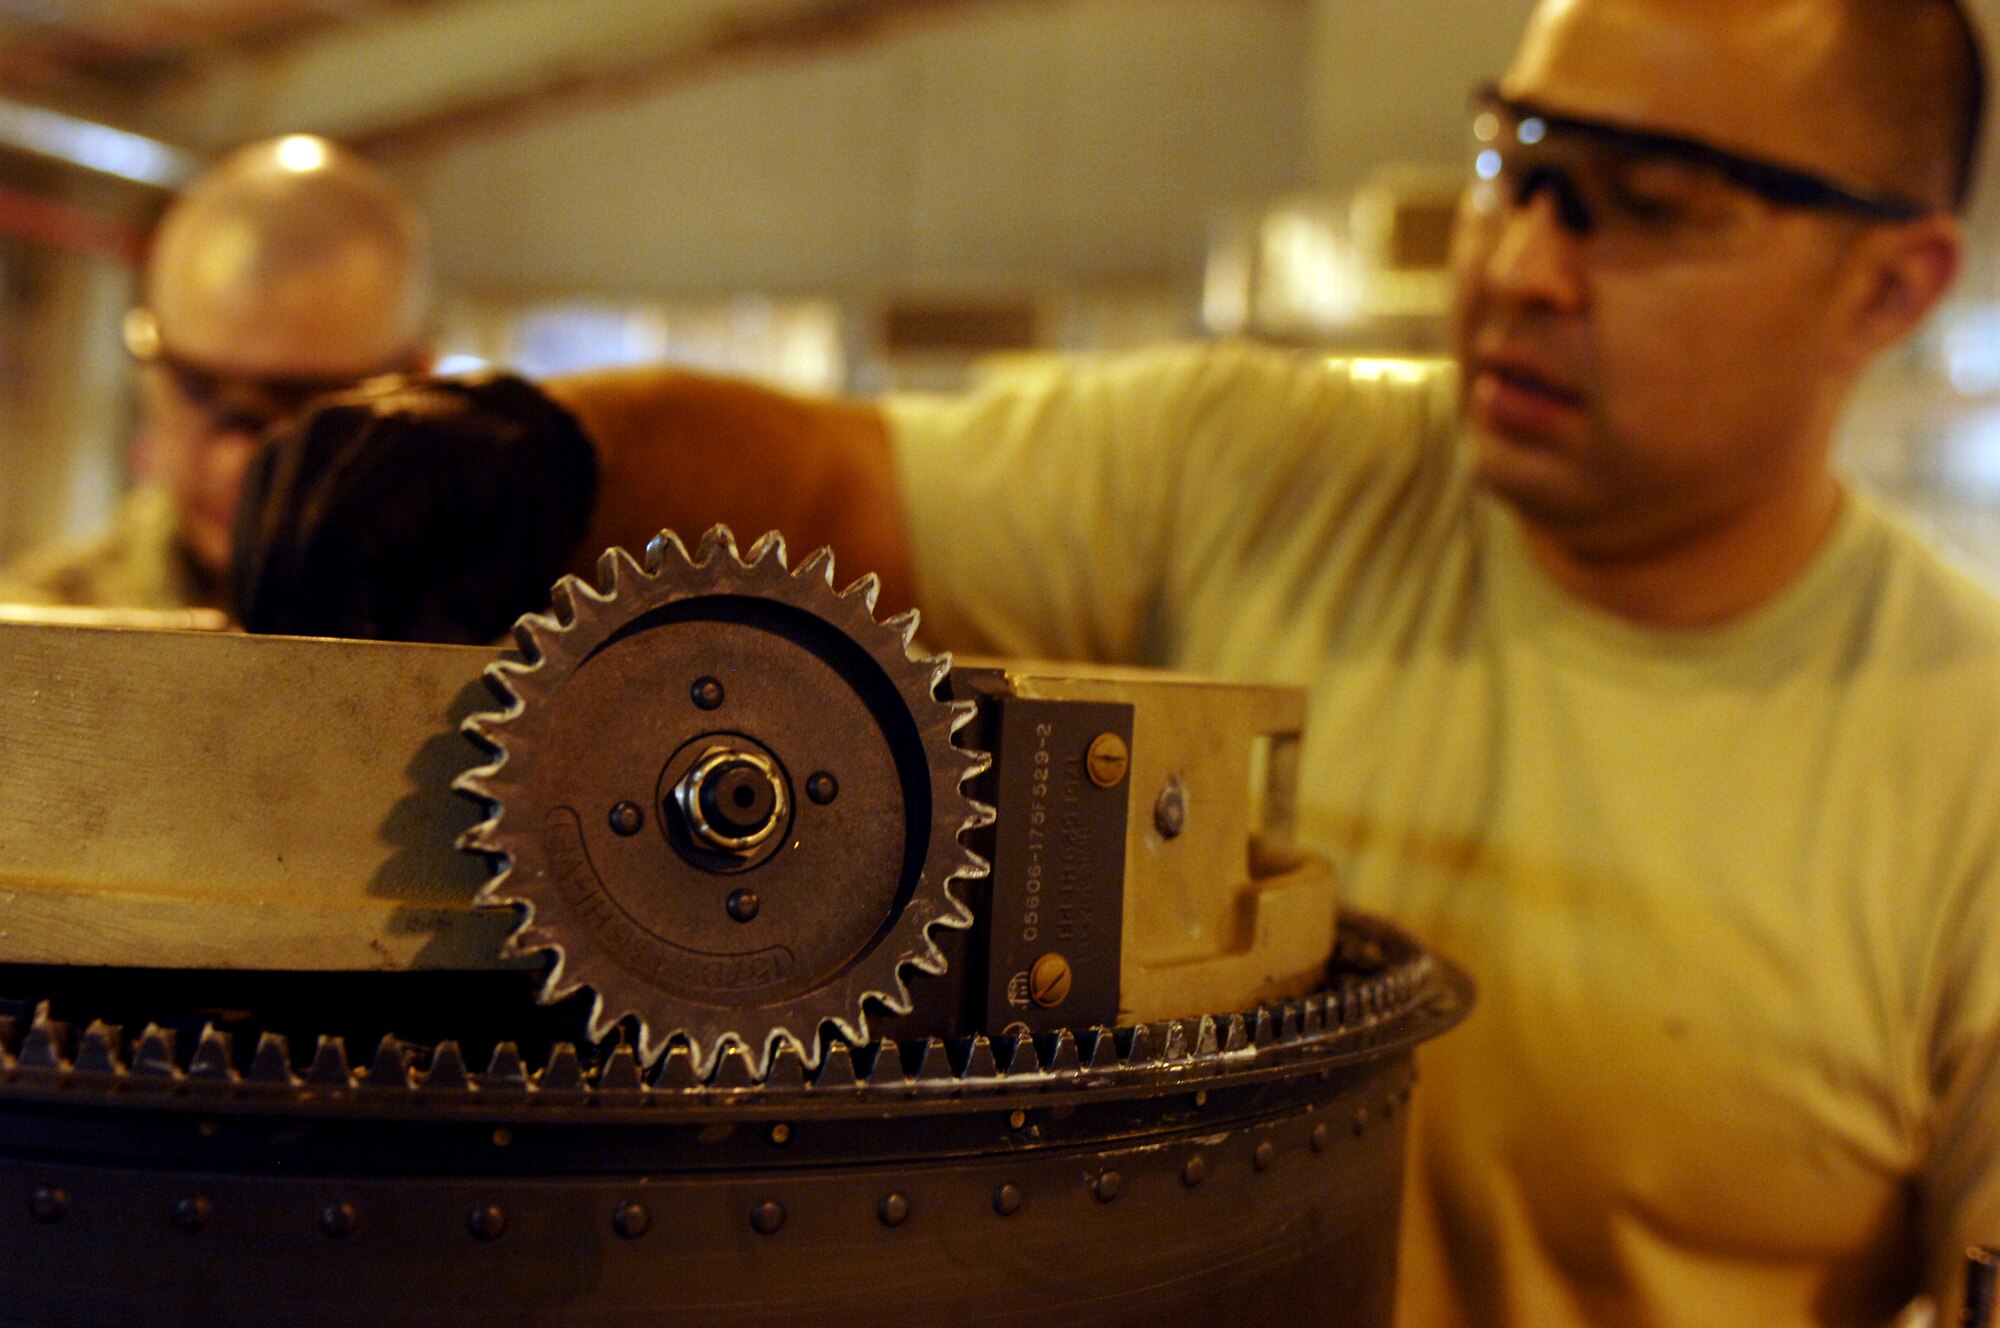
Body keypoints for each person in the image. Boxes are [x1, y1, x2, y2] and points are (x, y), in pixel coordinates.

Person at [229, 0, 1999, 1322]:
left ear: (1892, 287)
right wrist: (536, 446)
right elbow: (831, 482)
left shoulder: (1969, 760)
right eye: (1515, 169)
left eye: (1648, 206)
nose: (1527, 266)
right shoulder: (1265, 467)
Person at [0, 133, 433, 612]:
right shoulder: (39, 626)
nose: (236, 462)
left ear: (418, 390)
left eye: (303, 407)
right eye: (196, 389)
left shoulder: (483, 635)